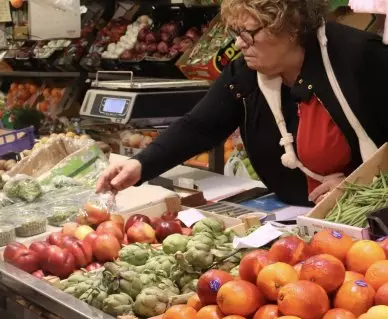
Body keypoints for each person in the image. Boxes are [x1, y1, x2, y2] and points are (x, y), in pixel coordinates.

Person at [97, 0, 388, 206]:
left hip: (369, 226)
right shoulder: (247, 74)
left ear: (291, 25)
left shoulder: (359, 58)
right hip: (298, 219)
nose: (238, 44)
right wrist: (140, 165)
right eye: (235, 34)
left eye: (248, 33)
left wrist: (359, 186)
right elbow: (200, 126)